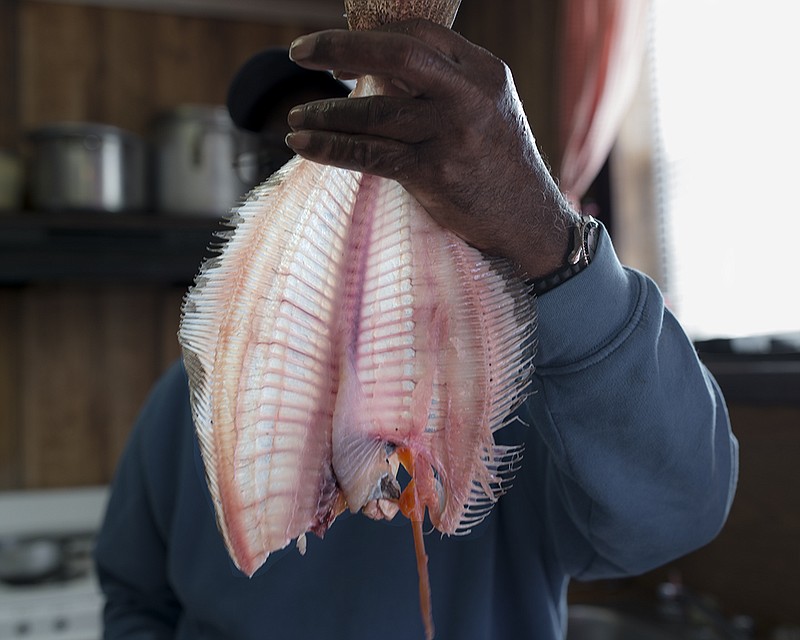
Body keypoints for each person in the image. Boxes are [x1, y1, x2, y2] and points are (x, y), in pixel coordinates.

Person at [93, 20, 738, 640]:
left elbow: (682, 507)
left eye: (345, 147)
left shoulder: (510, 385)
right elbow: (133, 597)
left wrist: (547, 237)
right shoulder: (183, 404)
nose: (299, 176)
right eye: (275, 154)